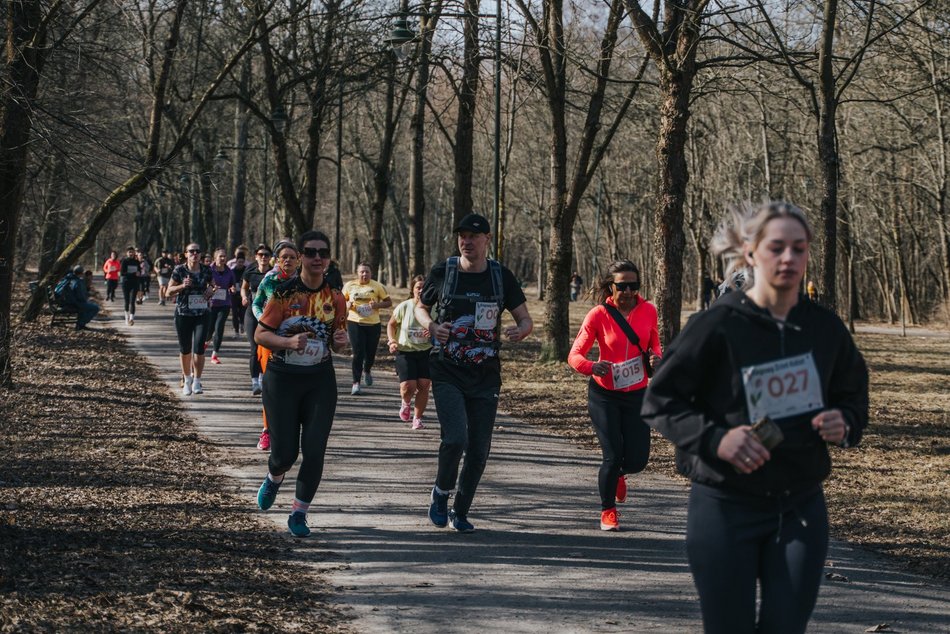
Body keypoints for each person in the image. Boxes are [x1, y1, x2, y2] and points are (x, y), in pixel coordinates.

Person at [641, 201, 869, 634]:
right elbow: (659, 399)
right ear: (751, 252)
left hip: (800, 504)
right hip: (725, 505)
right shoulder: (717, 324)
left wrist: (846, 421)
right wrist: (715, 440)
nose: (789, 259)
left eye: (799, 249)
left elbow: (854, 395)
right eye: (777, 247)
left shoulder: (824, 328)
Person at [414, 213, 534, 533]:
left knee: (479, 450)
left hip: (485, 375)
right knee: (455, 439)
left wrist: (521, 330)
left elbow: (525, 319)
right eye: (462, 236)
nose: (466, 241)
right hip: (447, 369)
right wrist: (432, 326)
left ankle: (461, 510)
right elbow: (420, 307)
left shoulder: (500, 276)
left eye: (473, 236)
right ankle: (440, 493)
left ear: (487, 240)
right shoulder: (445, 271)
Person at [254, 230, 348, 538]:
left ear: (329, 258)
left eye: (323, 252)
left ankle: (299, 513)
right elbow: (260, 334)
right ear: (302, 257)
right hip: (281, 378)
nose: (317, 258)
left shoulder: (335, 298)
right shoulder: (282, 293)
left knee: (315, 449)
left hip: (319, 379)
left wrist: (341, 341)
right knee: (285, 453)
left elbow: (339, 343)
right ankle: (274, 475)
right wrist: (287, 341)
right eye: (310, 252)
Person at [567, 260, 661, 531]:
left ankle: (621, 474)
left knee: (637, 460)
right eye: (622, 286)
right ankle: (608, 510)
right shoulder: (598, 314)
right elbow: (574, 354)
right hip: (605, 394)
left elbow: (654, 344)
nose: (629, 291)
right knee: (612, 455)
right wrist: (590, 366)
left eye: (634, 285)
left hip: (637, 394)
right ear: (611, 286)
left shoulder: (649, 310)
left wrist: (657, 359)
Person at [166, 243, 214, 396]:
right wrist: (181, 286)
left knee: (199, 348)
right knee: (185, 349)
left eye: (197, 251)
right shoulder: (179, 270)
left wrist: (210, 290)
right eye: (191, 251)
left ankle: (197, 381)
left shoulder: (207, 270)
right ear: (186, 254)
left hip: (202, 313)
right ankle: (187, 380)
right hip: (183, 314)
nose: (195, 254)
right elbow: (168, 292)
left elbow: (214, 287)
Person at [387, 275, 432, 430]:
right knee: (409, 386)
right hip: (405, 351)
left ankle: (417, 419)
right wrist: (392, 340)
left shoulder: (433, 308)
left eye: (424, 288)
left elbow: (439, 327)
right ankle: (406, 403)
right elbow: (391, 325)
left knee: (424, 385)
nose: (421, 291)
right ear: (412, 289)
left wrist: (433, 332)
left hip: (426, 351)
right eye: (418, 287)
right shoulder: (404, 306)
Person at [342, 262, 392, 395]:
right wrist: (347, 304)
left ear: (371, 273)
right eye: (362, 272)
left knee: (370, 354)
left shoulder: (377, 286)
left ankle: (367, 370)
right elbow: (341, 302)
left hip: (373, 324)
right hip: (355, 322)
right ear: (357, 273)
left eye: (367, 272)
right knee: (358, 353)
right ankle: (356, 383)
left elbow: (389, 302)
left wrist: (377, 305)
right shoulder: (349, 285)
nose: (364, 274)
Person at [241, 244, 271, 397]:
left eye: (266, 254)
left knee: (265, 347)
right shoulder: (250, 271)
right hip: (251, 313)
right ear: (256, 256)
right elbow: (243, 287)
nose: (264, 257)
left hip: (269, 315)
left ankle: (263, 377)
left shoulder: (274, 273)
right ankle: (254, 382)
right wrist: (244, 297)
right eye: (261, 254)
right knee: (254, 347)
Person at [208, 248, 237, 364]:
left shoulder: (229, 271)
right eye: (220, 256)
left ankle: (215, 354)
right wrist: (210, 288)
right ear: (215, 257)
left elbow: (232, 285)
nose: (223, 258)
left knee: (219, 327)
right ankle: (206, 341)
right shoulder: (209, 270)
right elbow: (203, 283)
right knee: (209, 329)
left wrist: (232, 289)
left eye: (224, 256)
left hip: (224, 304)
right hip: (211, 303)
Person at [55, 265, 100, 330]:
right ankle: (81, 324)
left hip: (64, 302)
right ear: (81, 273)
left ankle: (80, 324)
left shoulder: (67, 278)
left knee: (85, 305)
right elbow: (81, 297)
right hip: (71, 304)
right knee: (95, 308)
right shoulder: (77, 282)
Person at [228, 246, 248, 336]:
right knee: (235, 313)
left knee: (243, 312)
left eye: (242, 262)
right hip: (234, 294)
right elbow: (229, 282)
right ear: (236, 262)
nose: (240, 264)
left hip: (243, 294)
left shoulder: (246, 271)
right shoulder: (232, 271)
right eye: (239, 262)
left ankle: (242, 324)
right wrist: (231, 288)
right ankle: (236, 330)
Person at [119, 246, 140, 325]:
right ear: (127, 253)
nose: (131, 253)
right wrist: (133, 274)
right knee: (127, 301)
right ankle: (126, 318)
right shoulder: (124, 261)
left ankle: (131, 319)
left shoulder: (136, 262)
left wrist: (138, 273)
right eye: (129, 252)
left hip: (134, 283)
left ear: (134, 253)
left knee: (132, 301)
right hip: (126, 283)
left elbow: (139, 271)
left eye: (132, 252)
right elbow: (122, 273)